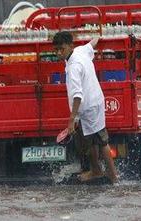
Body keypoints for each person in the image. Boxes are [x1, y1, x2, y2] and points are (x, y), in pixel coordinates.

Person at [53, 31, 118, 183]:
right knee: (93, 139)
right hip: (96, 101)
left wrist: (72, 119)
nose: (58, 53)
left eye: (61, 49)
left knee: (99, 142)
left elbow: (77, 96)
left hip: (88, 107)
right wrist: (99, 36)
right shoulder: (81, 50)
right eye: (56, 50)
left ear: (70, 46)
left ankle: (110, 176)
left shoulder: (73, 67)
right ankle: (99, 171)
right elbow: (92, 43)